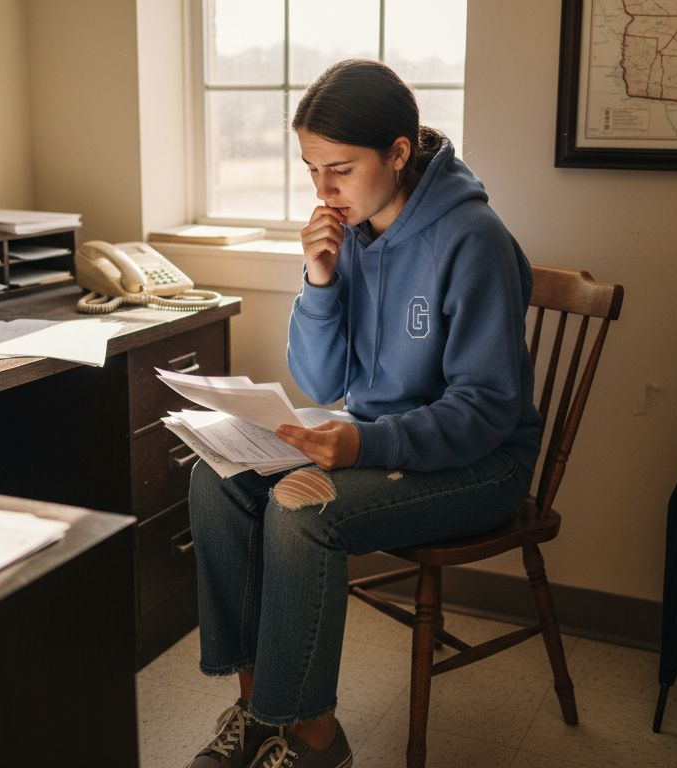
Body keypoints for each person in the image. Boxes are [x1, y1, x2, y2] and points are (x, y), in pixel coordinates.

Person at [186, 58, 540, 768]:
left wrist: (362, 446)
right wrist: (319, 281)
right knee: (216, 476)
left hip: (483, 463)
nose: (323, 192)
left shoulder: (474, 239)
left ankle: (315, 738)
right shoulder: (350, 231)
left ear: (398, 153)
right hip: (375, 439)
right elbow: (321, 380)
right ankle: (259, 713)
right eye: (312, 170)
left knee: (300, 509)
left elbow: (486, 409)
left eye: (340, 170)